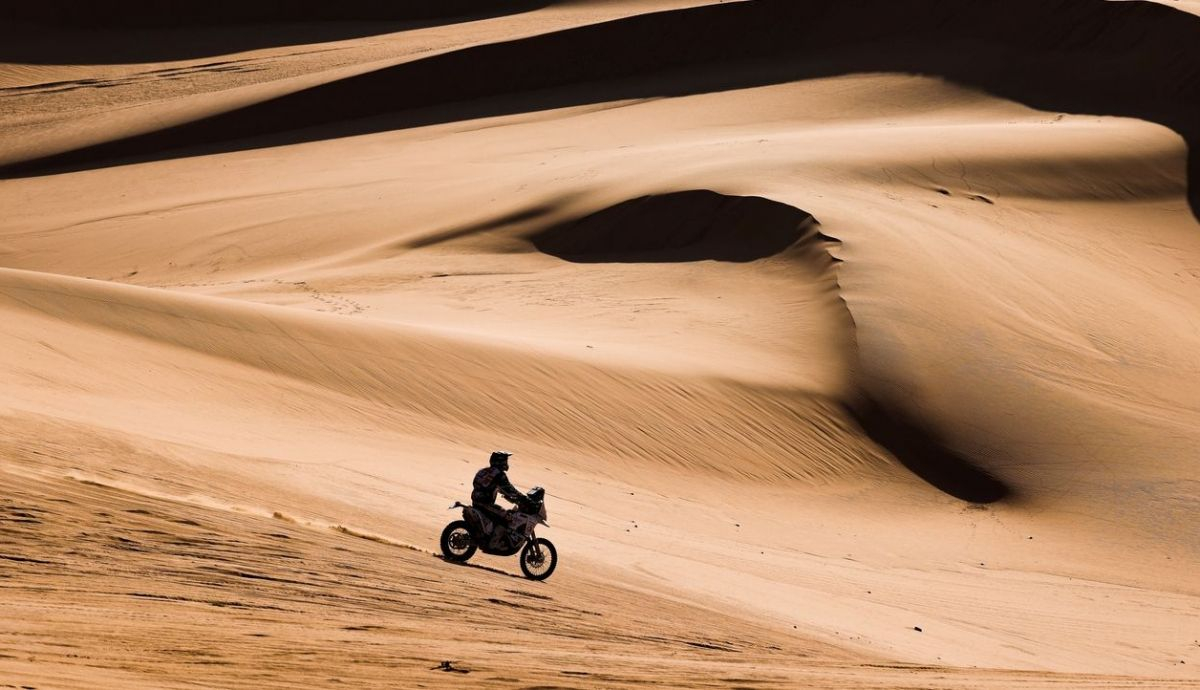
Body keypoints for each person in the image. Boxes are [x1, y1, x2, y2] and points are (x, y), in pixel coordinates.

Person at [471, 451, 526, 543]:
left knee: (498, 516)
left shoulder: (483, 471)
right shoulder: (499, 475)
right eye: (505, 460)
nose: (506, 463)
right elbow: (510, 489)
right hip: (486, 504)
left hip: (476, 501)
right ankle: (494, 541)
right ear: (500, 462)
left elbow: (479, 484)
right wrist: (523, 498)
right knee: (508, 517)